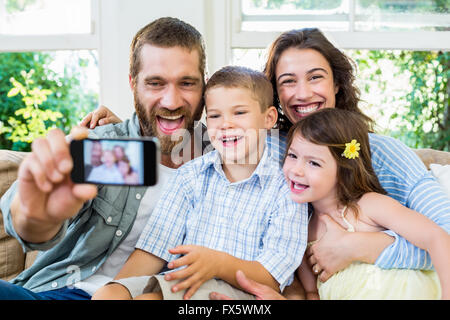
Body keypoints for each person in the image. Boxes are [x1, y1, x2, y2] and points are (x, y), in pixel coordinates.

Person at [84, 27, 450, 299]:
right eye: (288, 81)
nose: (303, 93)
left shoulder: (376, 155)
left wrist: (364, 247)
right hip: (87, 283)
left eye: (315, 77)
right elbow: (177, 137)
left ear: (338, 83)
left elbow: (444, 237)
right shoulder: (258, 147)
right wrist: (123, 131)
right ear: (275, 100)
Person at [0, 17, 210, 300]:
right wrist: (35, 218)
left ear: (204, 85)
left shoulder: (226, 159)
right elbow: (28, 221)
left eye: (187, 83)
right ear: (133, 84)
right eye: (155, 83)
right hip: (69, 292)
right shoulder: (109, 147)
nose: (171, 101)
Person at [91, 66, 308, 300]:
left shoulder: (285, 187)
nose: (225, 124)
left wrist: (217, 264)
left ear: (269, 118)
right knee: (108, 294)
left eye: (239, 113)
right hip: (181, 282)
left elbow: (272, 277)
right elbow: (154, 249)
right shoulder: (190, 176)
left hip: (238, 292)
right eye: (215, 116)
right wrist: (119, 287)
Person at [284, 108, 449, 299]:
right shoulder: (301, 231)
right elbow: (312, 292)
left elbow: (437, 237)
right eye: (292, 156)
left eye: (314, 163)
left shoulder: (368, 206)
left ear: (344, 170)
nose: (296, 170)